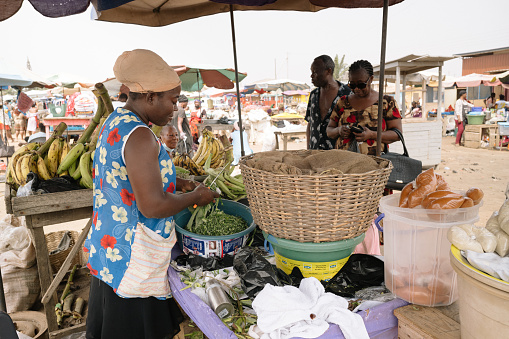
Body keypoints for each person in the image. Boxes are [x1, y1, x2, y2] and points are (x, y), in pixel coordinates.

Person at [84, 49, 219, 339]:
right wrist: (197, 196)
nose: (175, 109)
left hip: (110, 250)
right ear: (149, 97)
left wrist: (178, 182)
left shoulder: (115, 122)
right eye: (172, 100)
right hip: (134, 258)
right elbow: (152, 205)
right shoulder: (142, 136)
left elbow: (126, 178)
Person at [326, 60, 402, 155]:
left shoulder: (387, 102)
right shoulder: (342, 102)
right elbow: (329, 131)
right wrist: (339, 130)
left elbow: (397, 134)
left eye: (361, 85)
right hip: (343, 163)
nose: (356, 89)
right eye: (352, 85)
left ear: (371, 79)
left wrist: (371, 134)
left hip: (375, 164)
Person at [306, 55, 351, 150]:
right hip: (315, 153)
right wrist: (308, 150)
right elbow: (310, 124)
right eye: (311, 72)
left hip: (338, 154)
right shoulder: (314, 95)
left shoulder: (347, 94)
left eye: (315, 72)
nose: (312, 75)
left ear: (328, 71)